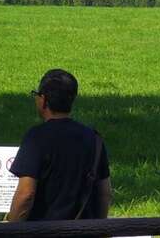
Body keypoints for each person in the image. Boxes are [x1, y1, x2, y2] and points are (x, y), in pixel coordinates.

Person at [7, 69, 112, 221]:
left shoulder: (36, 138)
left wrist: (11, 231)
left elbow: (26, 194)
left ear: (43, 100)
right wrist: (98, 228)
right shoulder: (94, 139)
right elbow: (105, 193)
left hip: (45, 231)